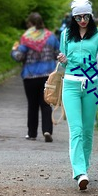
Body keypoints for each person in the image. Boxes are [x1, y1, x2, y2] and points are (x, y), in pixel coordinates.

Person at [57, 0, 98, 190]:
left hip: (91, 86)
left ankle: (84, 168)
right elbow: (63, 64)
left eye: (86, 16)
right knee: (76, 130)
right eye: (78, 17)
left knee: (88, 131)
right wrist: (62, 59)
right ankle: (79, 172)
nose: (82, 20)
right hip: (70, 84)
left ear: (91, 15)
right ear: (73, 17)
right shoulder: (65, 35)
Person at [11, 12, 60, 142]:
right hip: (47, 76)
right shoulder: (51, 37)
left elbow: (19, 57)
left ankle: (32, 133)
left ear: (30, 24)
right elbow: (58, 54)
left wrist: (14, 50)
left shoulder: (26, 38)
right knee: (46, 104)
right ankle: (47, 130)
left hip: (30, 76)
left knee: (32, 105)